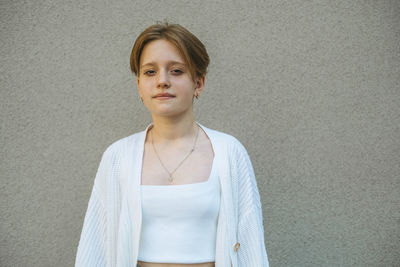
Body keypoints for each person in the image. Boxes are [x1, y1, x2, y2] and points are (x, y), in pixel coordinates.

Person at [75, 23, 269, 267]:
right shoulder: (117, 157)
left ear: (198, 83)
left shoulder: (230, 153)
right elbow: (95, 249)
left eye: (176, 71)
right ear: (139, 87)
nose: (162, 81)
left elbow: (251, 246)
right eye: (150, 72)